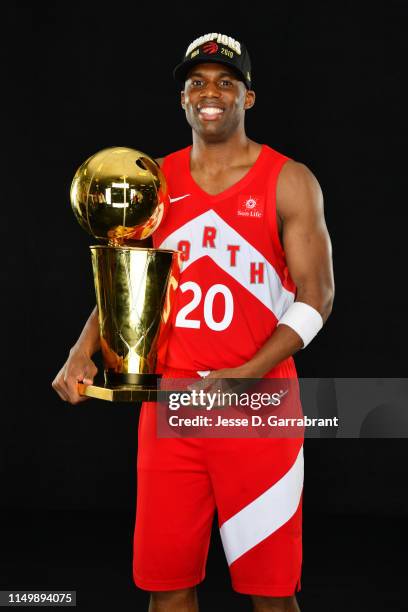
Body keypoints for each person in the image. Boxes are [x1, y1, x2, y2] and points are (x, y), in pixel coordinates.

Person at [53, 32, 334, 612]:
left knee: (271, 594)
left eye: (225, 82)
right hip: (172, 407)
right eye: (197, 84)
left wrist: (248, 373)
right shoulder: (154, 179)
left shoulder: (289, 179)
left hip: (258, 412)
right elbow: (127, 284)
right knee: (168, 587)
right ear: (182, 99)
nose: (211, 94)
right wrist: (82, 349)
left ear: (247, 98)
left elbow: (318, 297)